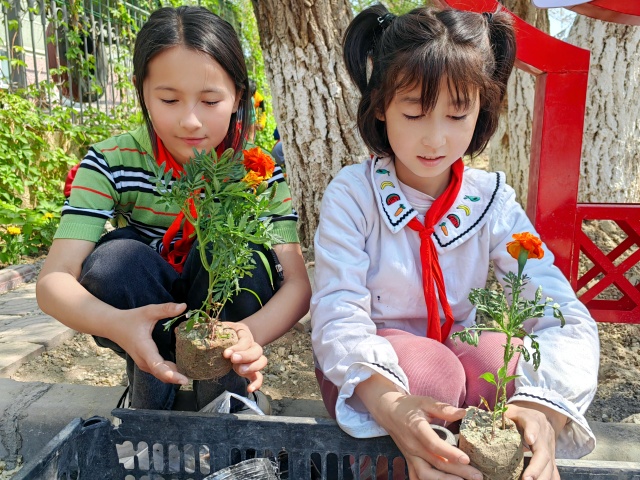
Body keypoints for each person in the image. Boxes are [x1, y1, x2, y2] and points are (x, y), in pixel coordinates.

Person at [311, 4, 599, 480]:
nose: (436, 138)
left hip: (453, 353)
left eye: (457, 113)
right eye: (414, 112)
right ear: (381, 104)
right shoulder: (354, 194)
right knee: (433, 372)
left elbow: (559, 311)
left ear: (481, 109)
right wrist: (392, 404)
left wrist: (544, 411)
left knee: (498, 360)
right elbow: (339, 311)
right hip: (371, 372)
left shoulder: (493, 202)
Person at [36, 6, 311, 412]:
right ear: (140, 91)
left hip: (222, 315)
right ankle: (149, 393)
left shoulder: (257, 171)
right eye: (168, 99)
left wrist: (246, 337)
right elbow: (52, 281)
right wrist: (119, 325)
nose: (191, 121)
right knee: (115, 260)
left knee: (241, 256)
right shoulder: (110, 162)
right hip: (148, 303)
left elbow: (297, 284)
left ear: (238, 96)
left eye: (210, 100)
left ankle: (228, 400)